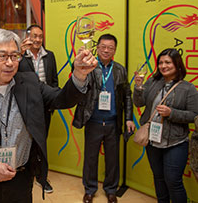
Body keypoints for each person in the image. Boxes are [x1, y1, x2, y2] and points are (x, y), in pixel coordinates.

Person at [0, 28, 97, 202]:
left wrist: (79, 74)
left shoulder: (30, 83)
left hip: (21, 180)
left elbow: (61, 99)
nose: (10, 63)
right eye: (2, 56)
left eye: (15, 56)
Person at [73, 34, 135, 203]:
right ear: (97, 47)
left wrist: (129, 118)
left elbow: (127, 96)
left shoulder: (120, 69)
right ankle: (90, 190)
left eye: (111, 47)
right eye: (103, 46)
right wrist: (80, 64)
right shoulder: (90, 67)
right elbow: (78, 78)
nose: (106, 50)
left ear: (115, 49)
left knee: (113, 160)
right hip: (93, 121)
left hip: (113, 122)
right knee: (90, 159)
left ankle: (111, 190)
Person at [133, 48, 198, 203]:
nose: (163, 66)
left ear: (177, 64)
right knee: (159, 178)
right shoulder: (153, 82)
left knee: (173, 181)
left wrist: (172, 113)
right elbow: (139, 102)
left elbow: (194, 116)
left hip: (175, 142)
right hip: (152, 140)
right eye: (161, 62)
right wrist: (138, 87)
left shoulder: (188, 88)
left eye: (168, 62)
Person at [19, 24, 58, 193]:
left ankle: (42, 178)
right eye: (34, 36)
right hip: (26, 108)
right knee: (28, 142)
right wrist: (19, 54)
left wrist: (52, 104)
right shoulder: (21, 57)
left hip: (44, 107)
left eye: (40, 36)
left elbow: (54, 81)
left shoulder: (49, 56)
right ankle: (28, 174)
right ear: (27, 37)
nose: (37, 39)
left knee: (41, 144)